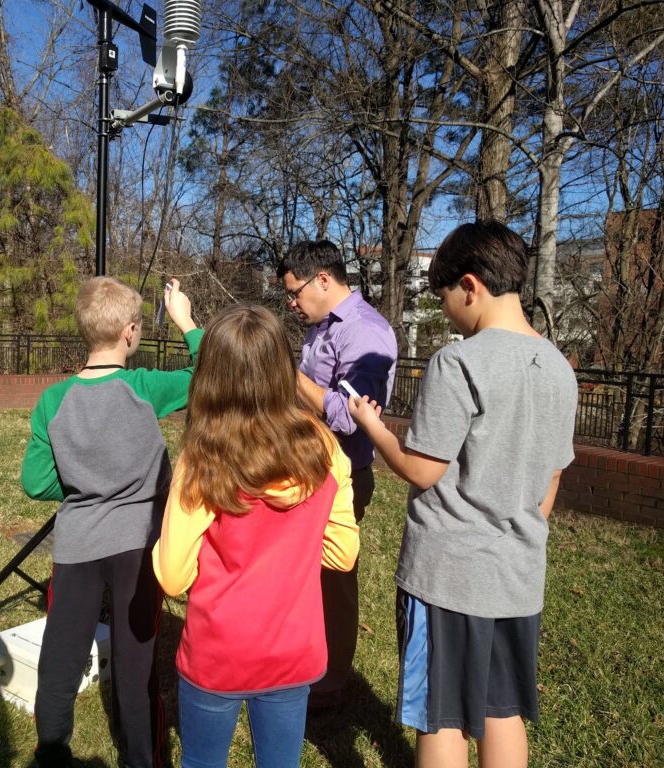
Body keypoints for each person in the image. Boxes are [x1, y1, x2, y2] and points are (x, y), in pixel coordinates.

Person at [347, 221, 578, 768]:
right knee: (503, 711)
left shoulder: (459, 362)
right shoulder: (560, 367)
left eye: (446, 297)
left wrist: (373, 427)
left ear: (470, 286)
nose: (448, 311)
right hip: (518, 574)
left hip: (447, 579)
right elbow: (551, 481)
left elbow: (423, 470)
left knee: (441, 715)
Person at [152, 304, 359, 768]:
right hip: (293, 649)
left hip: (217, 652)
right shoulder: (324, 447)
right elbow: (342, 553)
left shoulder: (201, 456)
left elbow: (170, 575)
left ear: (211, 376)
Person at [21, 276, 200, 768]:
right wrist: (184, 320)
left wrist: (82, 484)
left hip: (76, 546)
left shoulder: (52, 401)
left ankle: (51, 754)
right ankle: (143, 759)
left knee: (61, 659)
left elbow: (36, 482)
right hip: (139, 544)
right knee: (135, 661)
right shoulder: (145, 388)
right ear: (130, 331)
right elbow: (211, 369)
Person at [277, 239, 397, 706]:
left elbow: (348, 416)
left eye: (295, 292)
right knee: (305, 572)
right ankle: (305, 661)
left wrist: (286, 374)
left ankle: (330, 680)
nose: (292, 302)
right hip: (306, 466)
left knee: (333, 574)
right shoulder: (323, 326)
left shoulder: (364, 332)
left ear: (323, 279)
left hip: (340, 476)